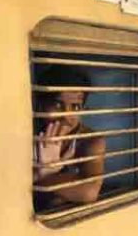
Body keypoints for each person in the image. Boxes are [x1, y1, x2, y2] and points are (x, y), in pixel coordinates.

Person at [33, 66, 106, 210]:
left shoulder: (89, 141)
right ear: (41, 105)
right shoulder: (30, 132)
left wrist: (42, 175)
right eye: (58, 105)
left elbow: (89, 192)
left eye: (75, 107)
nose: (67, 116)